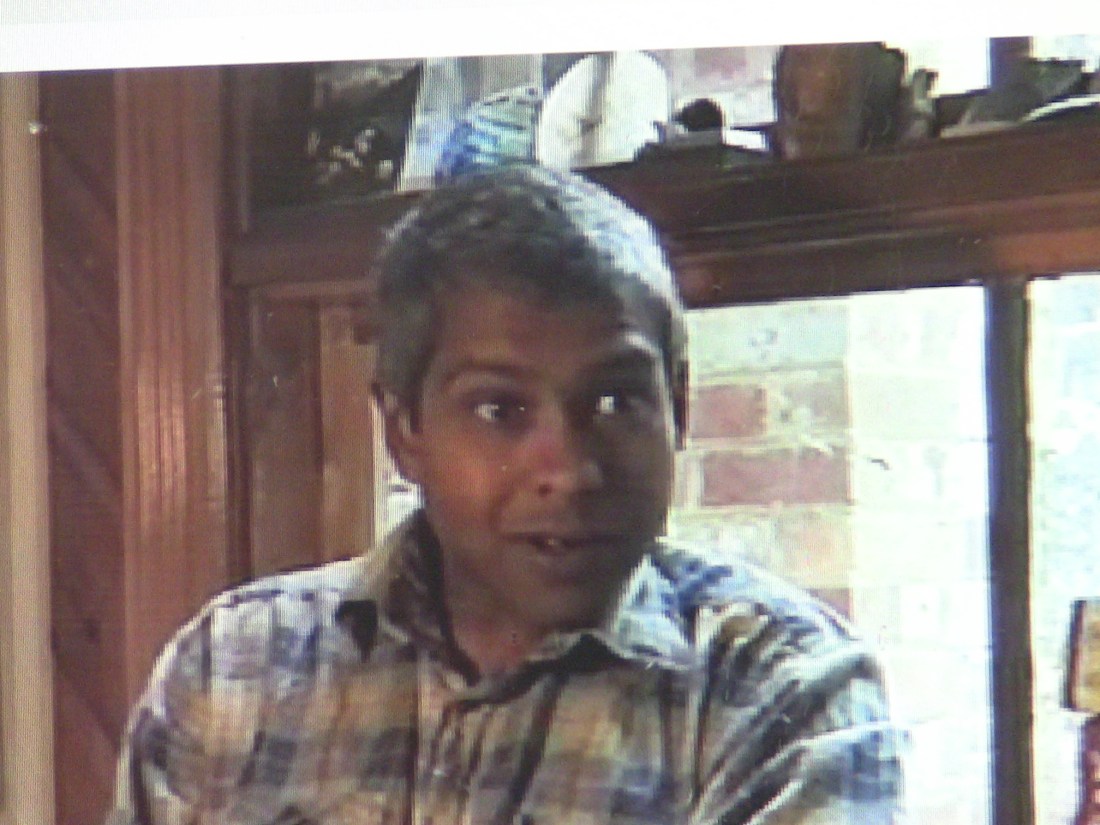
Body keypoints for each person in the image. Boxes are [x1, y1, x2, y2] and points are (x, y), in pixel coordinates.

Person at [105, 164, 902, 825]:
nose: (570, 469)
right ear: (405, 429)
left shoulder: (782, 693)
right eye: (499, 409)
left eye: (617, 401)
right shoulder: (235, 667)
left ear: (680, 408)